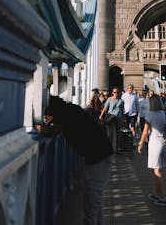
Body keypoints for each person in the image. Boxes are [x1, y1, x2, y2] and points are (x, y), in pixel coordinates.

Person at [41, 95, 113, 225]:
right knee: (95, 203)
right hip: (101, 155)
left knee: (91, 204)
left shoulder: (65, 116)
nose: (46, 118)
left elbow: (50, 131)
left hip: (98, 158)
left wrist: (40, 127)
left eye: (46, 114)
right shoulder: (70, 110)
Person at [137, 92, 166, 207]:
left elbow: (145, 132)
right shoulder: (165, 114)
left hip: (155, 144)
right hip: (164, 143)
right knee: (157, 170)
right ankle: (157, 193)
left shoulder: (150, 115)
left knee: (157, 172)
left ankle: (162, 197)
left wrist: (140, 144)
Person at [99, 87, 124, 151]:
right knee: (110, 133)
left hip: (118, 118)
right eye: (114, 92)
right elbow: (105, 108)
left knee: (118, 133)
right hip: (110, 117)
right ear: (112, 93)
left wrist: (123, 118)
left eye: (117, 92)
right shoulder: (109, 99)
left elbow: (122, 110)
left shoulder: (121, 101)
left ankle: (117, 148)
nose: (116, 94)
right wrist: (101, 116)